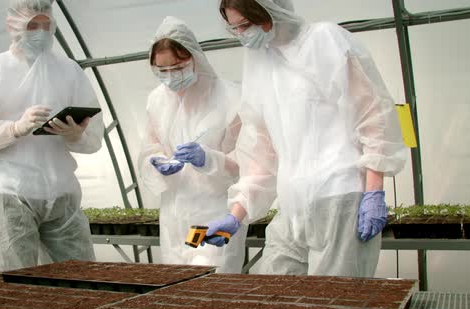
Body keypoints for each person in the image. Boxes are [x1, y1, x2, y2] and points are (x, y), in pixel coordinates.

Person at [204, 0, 407, 277]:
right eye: (235, 29)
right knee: (271, 294)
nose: (242, 35)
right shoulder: (260, 63)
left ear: (272, 10)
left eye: (246, 25)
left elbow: (373, 116)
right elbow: (260, 152)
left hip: (340, 197)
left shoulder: (324, 40)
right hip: (292, 204)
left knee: (333, 306)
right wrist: (236, 215)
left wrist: (373, 191)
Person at [0, 0, 104, 272]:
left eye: (47, 25)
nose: (41, 32)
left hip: (62, 192)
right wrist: (13, 128)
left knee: (82, 279)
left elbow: (94, 136)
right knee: (16, 287)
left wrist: (75, 134)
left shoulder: (69, 71)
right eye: (32, 25)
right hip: (11, 194)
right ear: (12, 25)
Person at [138, 16, 247, 273]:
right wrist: (155, 162)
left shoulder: (230, 98)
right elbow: (150, 146)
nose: (170, 77)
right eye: (161, 70)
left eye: (177, 67)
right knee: (178, 291)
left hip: (215, 213)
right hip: (174, 217)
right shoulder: (157, 101)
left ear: (194, 57)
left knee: (211, 289)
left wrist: (209, 159)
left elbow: (248, 162)